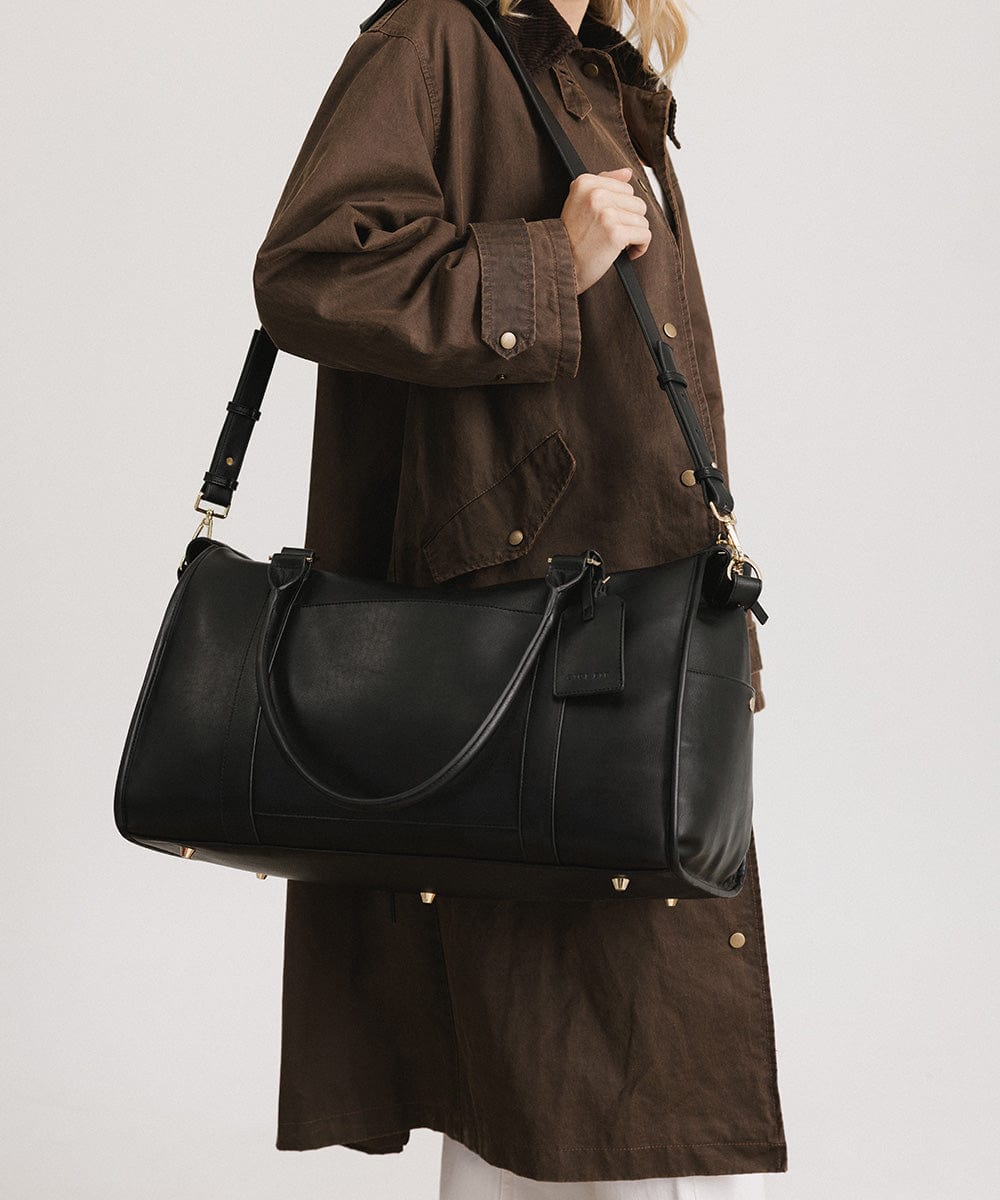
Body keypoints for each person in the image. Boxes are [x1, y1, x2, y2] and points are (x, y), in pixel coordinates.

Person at [252, 0, 788, 1195]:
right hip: (516, 659)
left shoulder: (600, 72)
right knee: (547, 1080)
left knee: (613, 1076)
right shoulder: (435, 41)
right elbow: (306, 273)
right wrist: (552, 257)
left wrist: (710, 632)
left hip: (630, 637)